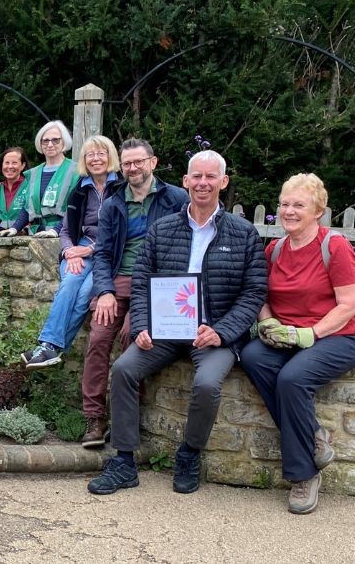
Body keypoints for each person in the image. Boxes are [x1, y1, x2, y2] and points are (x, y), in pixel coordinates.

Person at [87, 150, 268, 496]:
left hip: (215, 333)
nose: (202, 183)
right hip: (167, 329)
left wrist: (223, 331)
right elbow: (141, 281)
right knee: (124, 369)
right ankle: (124, 460)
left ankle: (189, 454)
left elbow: (254, 292)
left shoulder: (243, 234)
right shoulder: (163, 228)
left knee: (206, 384)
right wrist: (140, 325)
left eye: (210, 177)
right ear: (185, 182)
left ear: (223, 182)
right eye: (196, 176)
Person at [240, 173, 355, 515]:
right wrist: (266, 320)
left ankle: (304, 475)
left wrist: (310, 334)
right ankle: (314, 437)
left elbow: (351, 304)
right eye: (284, 204)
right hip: (290, 336)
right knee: (252, 356)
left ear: (318, 211)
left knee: (292, 379)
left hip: (339, 337)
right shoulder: (276, 249)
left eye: (299, 205)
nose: (289, 211)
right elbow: (260, 293)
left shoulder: (334, 246)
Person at [78, 138, 188, 447]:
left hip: (155, 285)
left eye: (139, 161)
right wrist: (104, 291)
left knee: (132, 337)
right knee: (99, 337)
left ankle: (125, 415)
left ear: (153, 162)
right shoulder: (114, 203)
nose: (133, 168)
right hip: (118, 281)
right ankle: (95, 417)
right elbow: (101, 254)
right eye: (127, 163)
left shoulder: (176, 199)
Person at [20, 135, 119, 370]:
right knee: (71, 281)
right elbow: (65, 230)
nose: (95, 159)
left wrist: (89, 250)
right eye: (90, 155)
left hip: (110, 251)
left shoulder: (122, 188)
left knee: (86, 293)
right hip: (81, 246)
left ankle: (49, 346)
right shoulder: (80, 189)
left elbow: (122, 233)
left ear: (110, 156)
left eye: (101, 153)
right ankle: (50, 346)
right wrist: (69, 251)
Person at [0, 120, 76, 237]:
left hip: (64, 235)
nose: (50, 144)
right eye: (45, 141)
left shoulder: (76, 171)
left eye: (55, 140)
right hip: (36, 235)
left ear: (64, 142)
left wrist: (55, 230)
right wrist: (14, 228)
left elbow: (76, 208)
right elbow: (27, 207)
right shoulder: (34, 173)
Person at [0, 147, 28, 234]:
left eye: (14, 163)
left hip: (24, 240)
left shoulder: (31, 186)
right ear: (1, 165)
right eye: (7, 163)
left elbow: (36, 216)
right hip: (0, 241)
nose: (10, 166)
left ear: (23, 165)